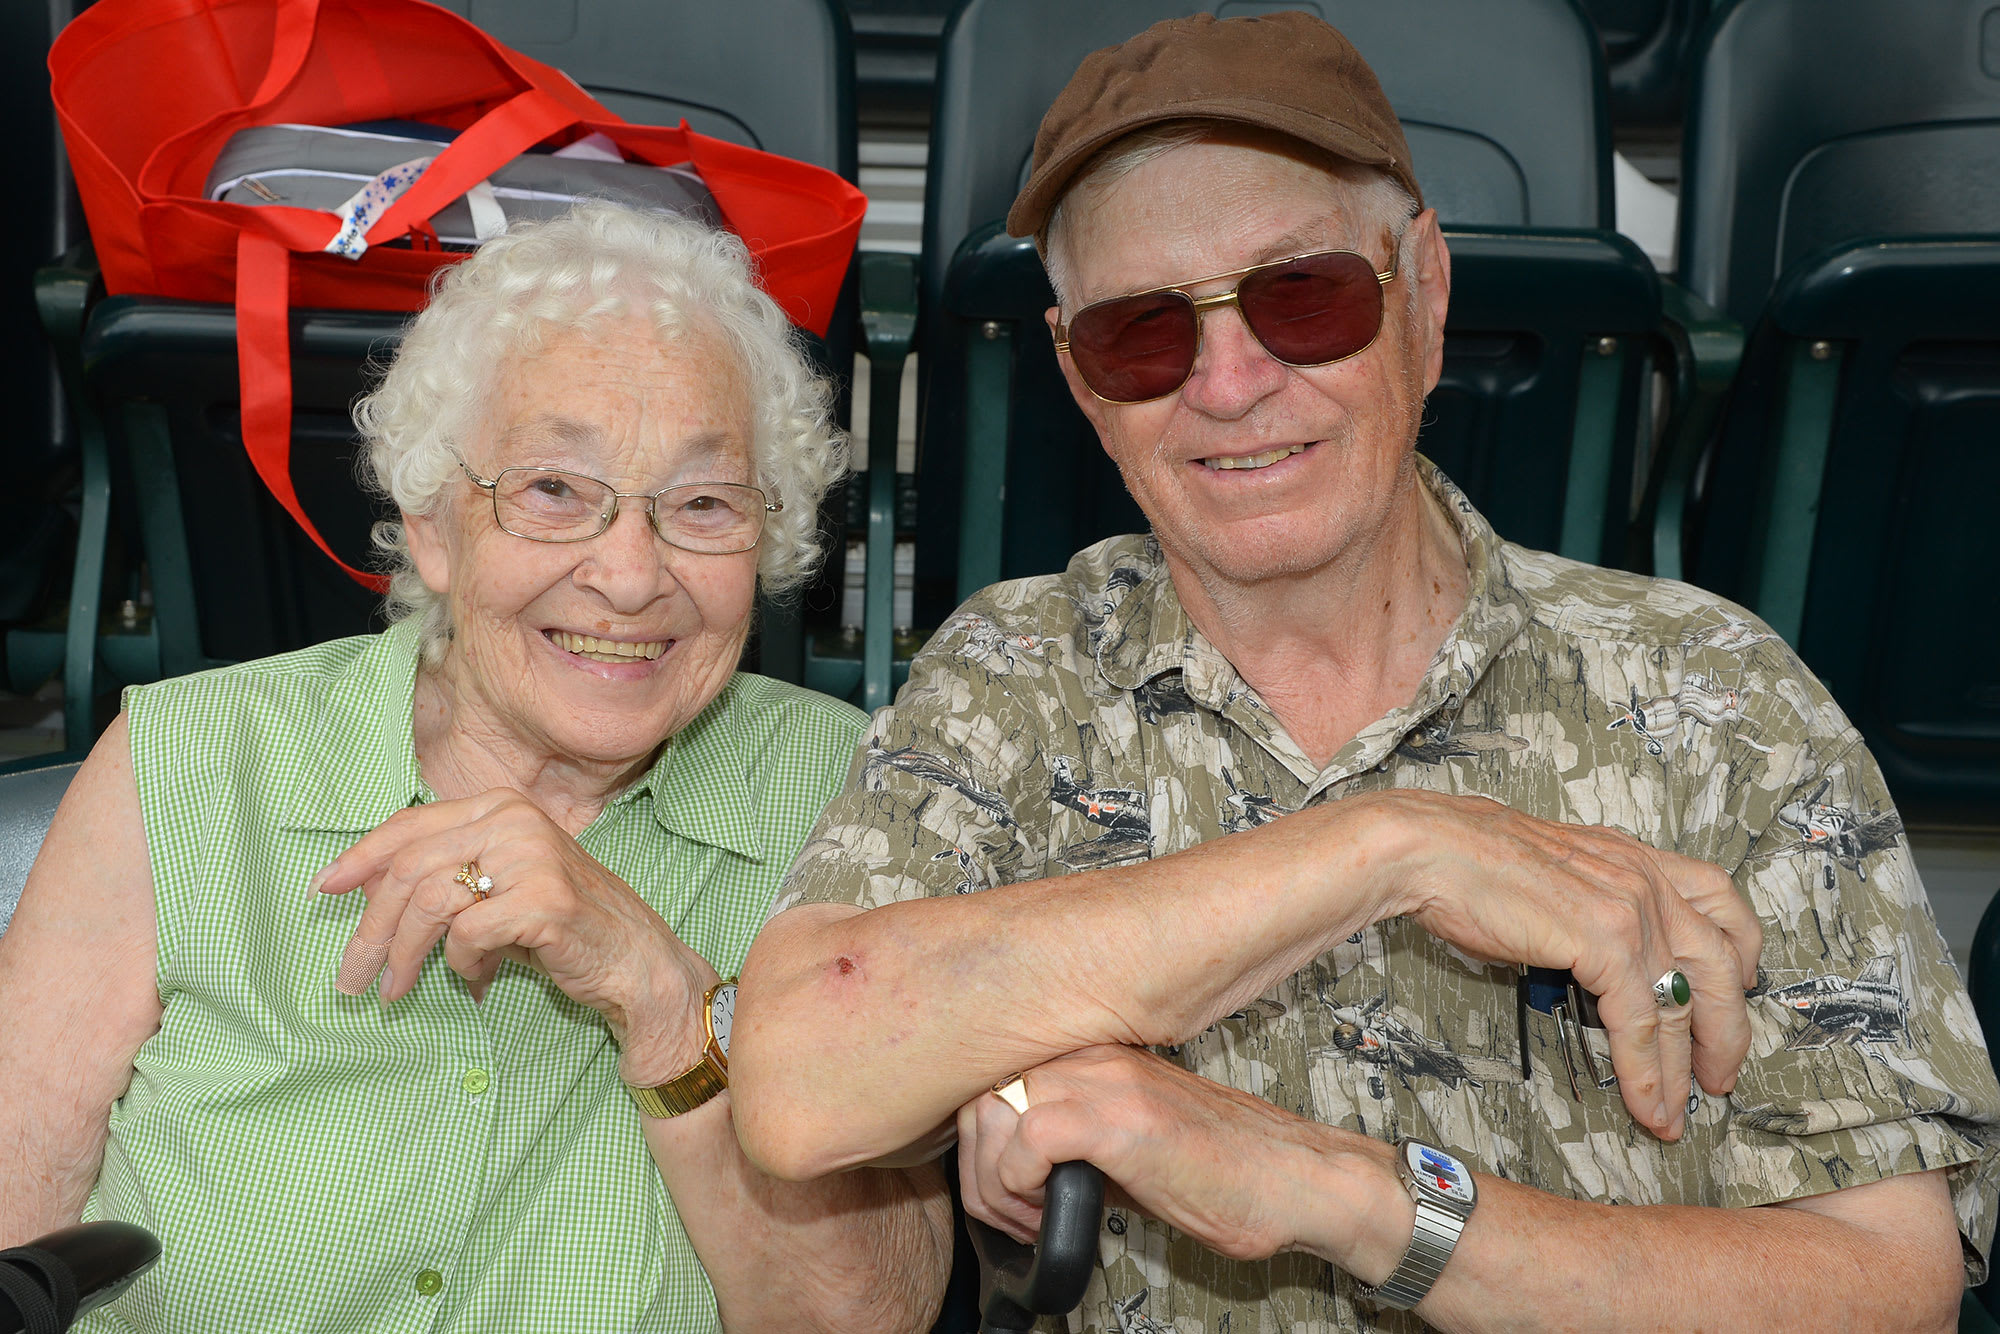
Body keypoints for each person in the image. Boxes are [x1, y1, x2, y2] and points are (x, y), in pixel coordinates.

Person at [729, 13, 2000, 1333]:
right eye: (1143, 334)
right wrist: (1394, 847)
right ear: (1078, 378)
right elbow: (799, 1073)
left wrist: (1353, 1193)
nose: (1228, 382)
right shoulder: (1012, 674)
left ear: (1426, 292)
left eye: (1302, 296)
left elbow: (1882, 1286)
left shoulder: (1714, 695)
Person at [0, 202, 947, 1333]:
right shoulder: (194, 767)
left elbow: (868, 1316)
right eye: (554, 490)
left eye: (701, 504)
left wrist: (661, 995)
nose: (631, 573)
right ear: (434, 525)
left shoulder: (856, 802)